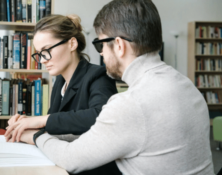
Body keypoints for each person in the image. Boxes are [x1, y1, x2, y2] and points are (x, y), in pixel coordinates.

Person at [13, 0, 215, 175]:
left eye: (101, 45)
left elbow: (70, 158)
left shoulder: (132, 103)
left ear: (119, 45)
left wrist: (37, 135)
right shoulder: (186, 85)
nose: (101, 54)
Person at [4, 14, 117, 145]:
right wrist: (28, 123)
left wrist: (42, 120)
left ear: (72, 44)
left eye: (46, 50)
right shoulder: (60, 81)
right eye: (39, 54)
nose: (42, 60)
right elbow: (59, 126)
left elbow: (101, 116)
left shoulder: (99, 75)